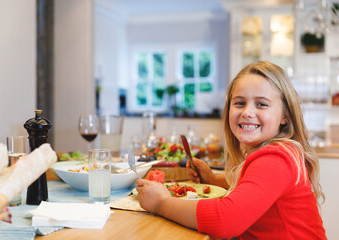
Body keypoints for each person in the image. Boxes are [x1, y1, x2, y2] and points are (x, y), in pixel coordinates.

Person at [135, 61, 326, 239]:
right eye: (239, 103)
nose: (247, 112)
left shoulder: (275, 159)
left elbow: (226, 220)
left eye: (261, 104)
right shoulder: (278, 153)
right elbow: (253, 188)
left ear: (285, 115)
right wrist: (213, 179)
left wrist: (162, 203)